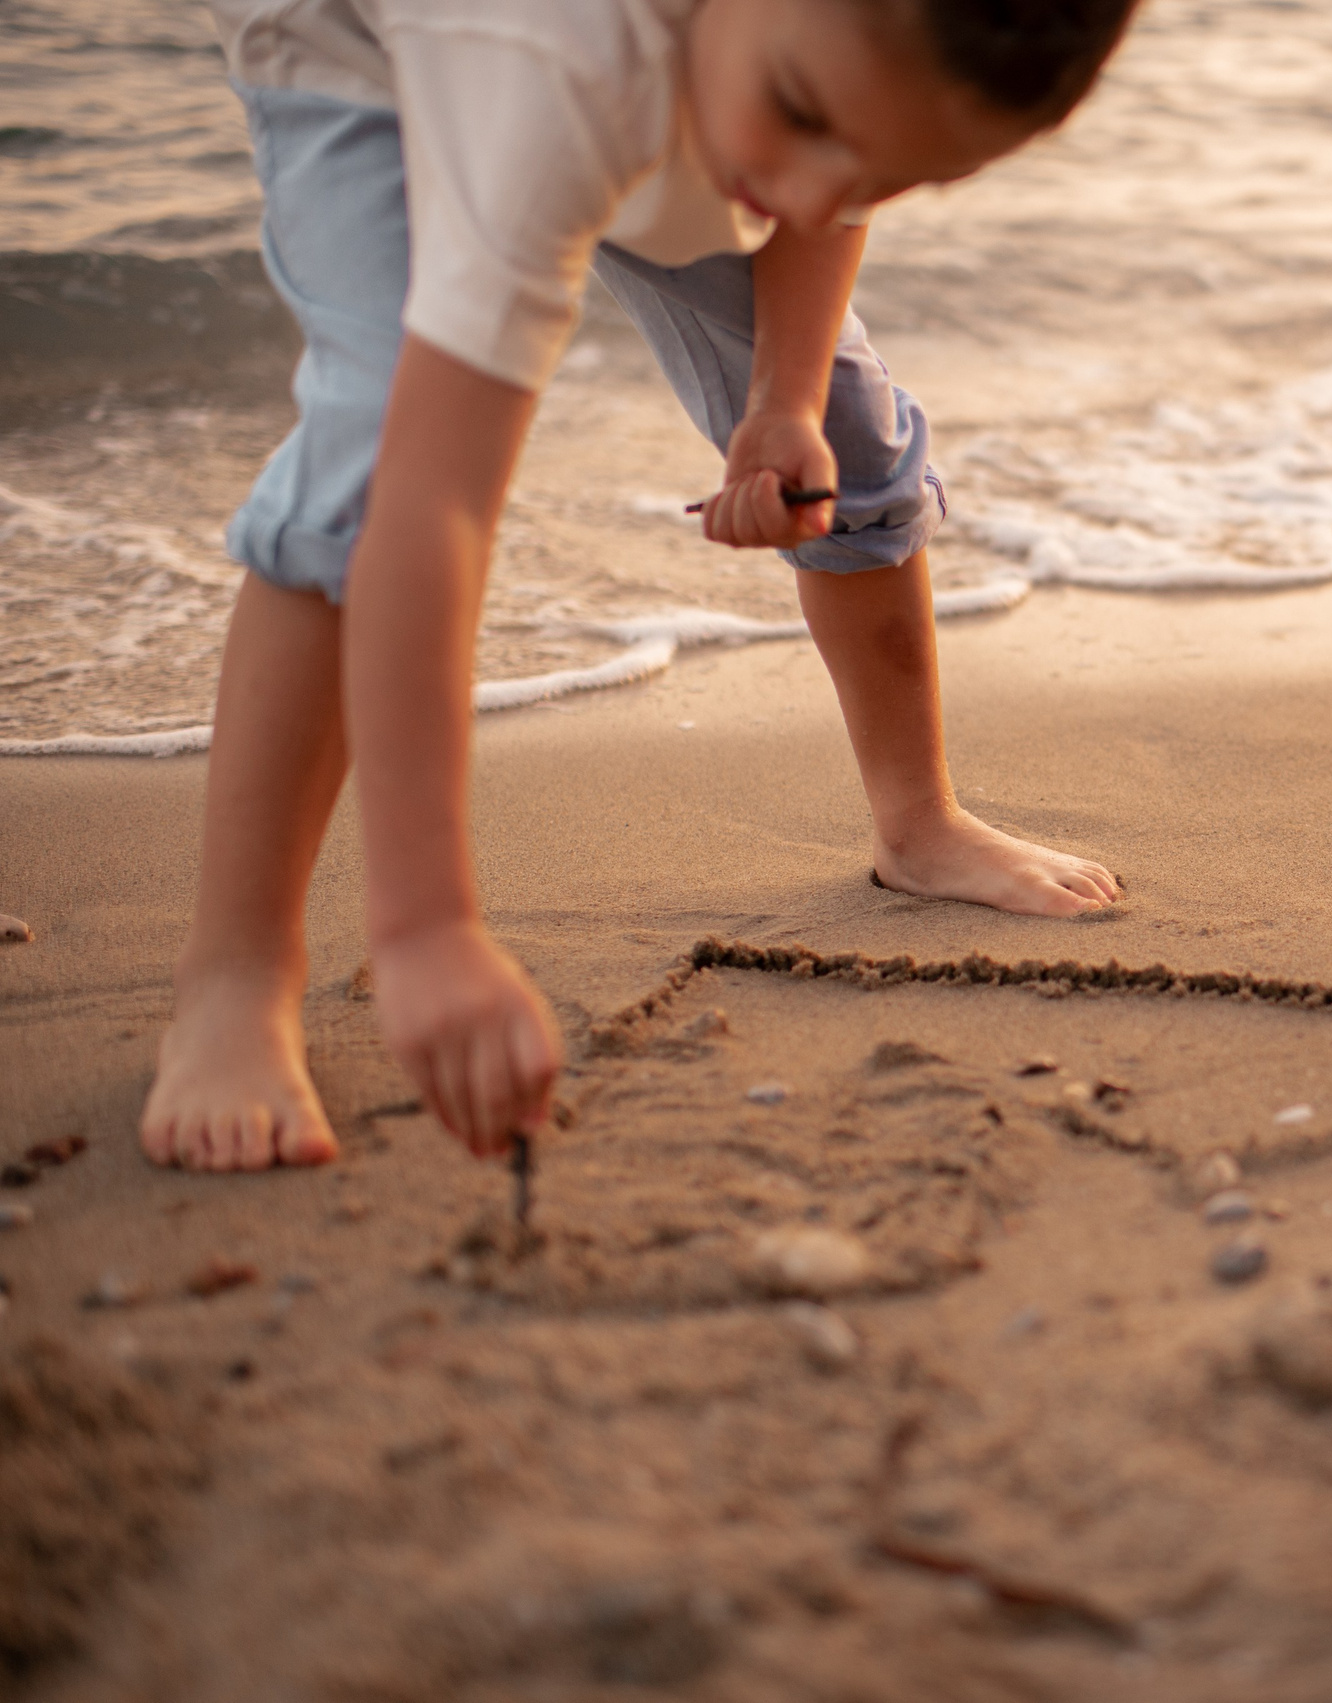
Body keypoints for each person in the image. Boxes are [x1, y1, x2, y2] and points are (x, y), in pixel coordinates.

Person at [143, 0, 1134, 1174]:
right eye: (807, 117)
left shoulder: (819, 61)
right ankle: (236, 974)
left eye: (888, 172)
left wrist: (784, 400)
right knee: (363, 466)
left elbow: (830, 175)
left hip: (659, 66)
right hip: (363, 46)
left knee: (846, 441)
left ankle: (918, 823)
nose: (813, 194)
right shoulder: (551, 64)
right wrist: (425, 930)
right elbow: (432, 506)